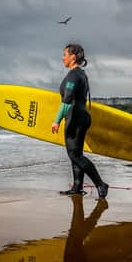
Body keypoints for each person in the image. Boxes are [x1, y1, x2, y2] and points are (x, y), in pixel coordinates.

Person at [51, 43, 108, 198]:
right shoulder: (81, 74)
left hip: (75, 118)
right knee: (76, 153)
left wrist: (56, 120)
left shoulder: (73, 75)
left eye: (65, 55)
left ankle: (101, 184)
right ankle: (77, 187)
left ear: (73, 57)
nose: (63, 58)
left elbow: (67, 99)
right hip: (81, 116)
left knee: (75, 155)